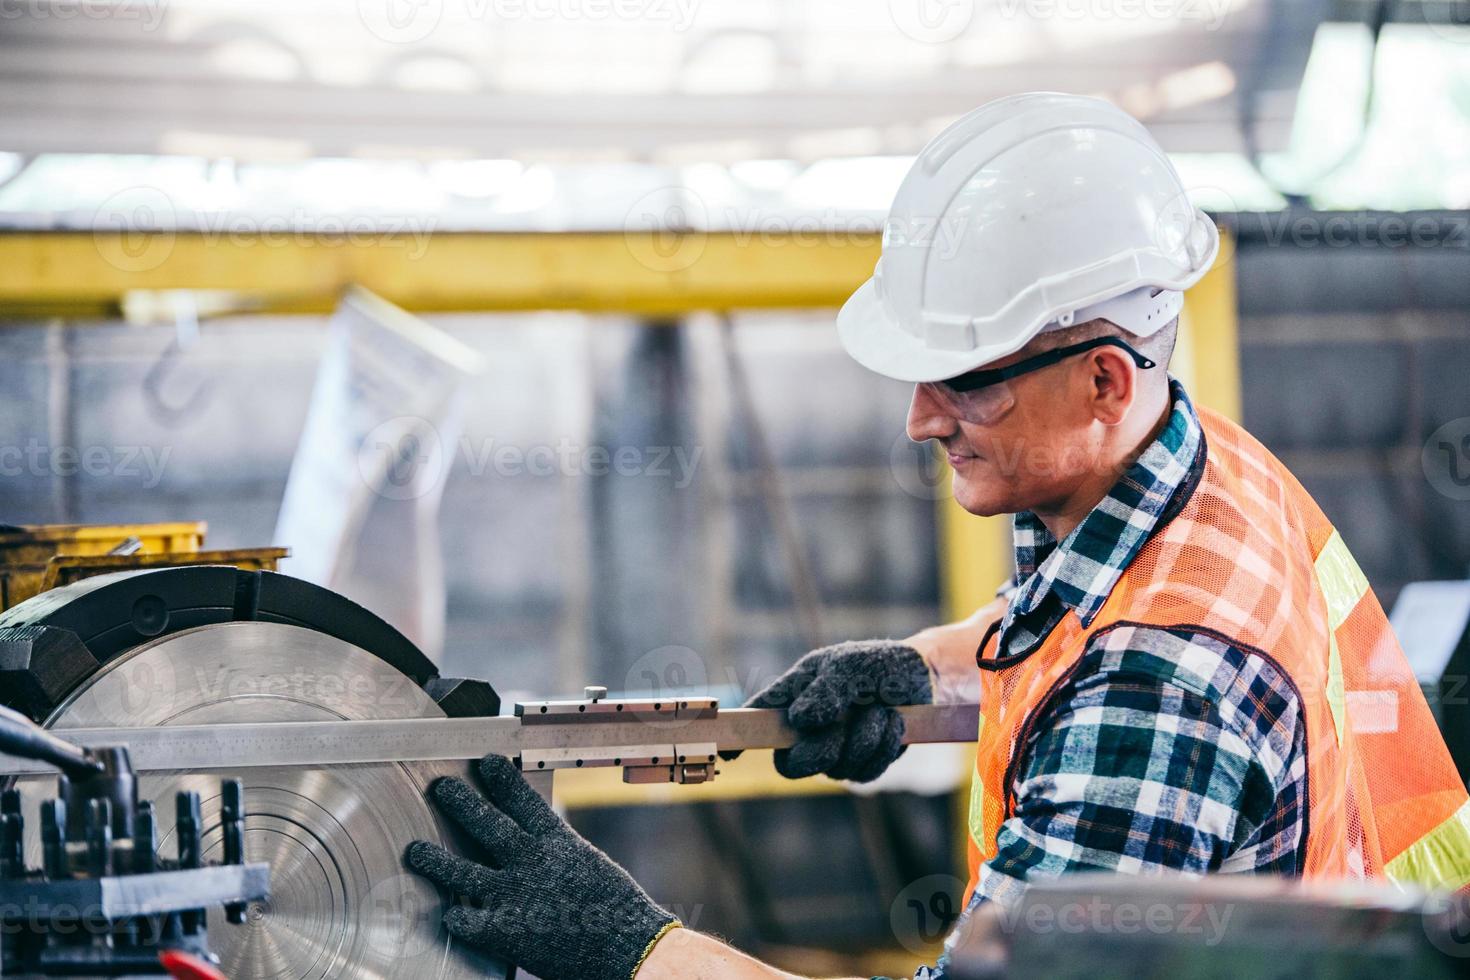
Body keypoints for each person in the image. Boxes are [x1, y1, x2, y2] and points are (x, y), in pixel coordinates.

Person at [404, 93, 1470, 980]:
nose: (921, 417)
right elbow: (1085, 611)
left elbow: (1133, 663)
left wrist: (632, 947)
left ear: (1102, 377)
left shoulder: (1155, 701)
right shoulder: (1204, 463)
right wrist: (919, 672)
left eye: (967, 379)